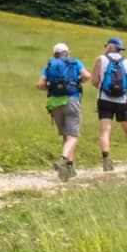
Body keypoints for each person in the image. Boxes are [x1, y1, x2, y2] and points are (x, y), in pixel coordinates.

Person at [93, 36, 127, 171]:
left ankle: (106, 159)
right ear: (119, 48)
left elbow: (93, 81)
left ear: (109, 46)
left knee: (105, 130)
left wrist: (105, 88)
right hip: (122, 100)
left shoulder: (100, 59)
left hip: (104, 99)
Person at [39, 44, 85, 180]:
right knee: (73, 136)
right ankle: (63, 159)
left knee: (66, 135)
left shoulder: (49, 65)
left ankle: (67, 170)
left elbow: (39, 84)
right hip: (71, 100)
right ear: (67, 53)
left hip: (54, 102)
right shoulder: (75, 62)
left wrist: (51, 86)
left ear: (54, 54)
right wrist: (77, 81)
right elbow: (86, 76)